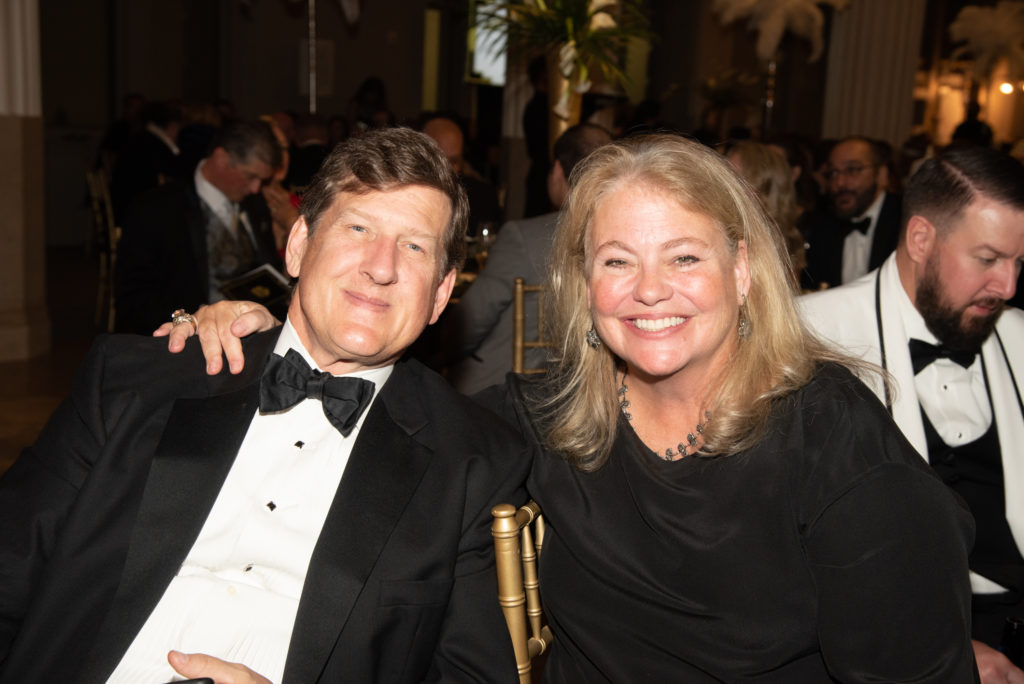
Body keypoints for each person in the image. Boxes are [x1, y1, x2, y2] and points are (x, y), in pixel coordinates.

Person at [172, 134, 978, 681]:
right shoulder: (551, 414)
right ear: (583, 286)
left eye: (685, 257)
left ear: (742, 270)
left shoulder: (834, 443)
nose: (650, 290)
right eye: (617, 259)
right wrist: (266, 342)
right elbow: (386, 419)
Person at [0, 128, 528, 683]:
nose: (381, 266)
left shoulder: (473, 462)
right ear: (298, 245)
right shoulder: (139, 380)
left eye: (414, 246)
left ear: (441, 294)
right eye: (358, 228)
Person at [800, 144, 1024, 683]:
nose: (1009, 287)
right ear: (921, 238)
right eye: (988, 259)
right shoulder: (810, 337)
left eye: (1020, 262)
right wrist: (941, 644)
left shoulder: (1018, 337)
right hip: (883, 636)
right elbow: (782, 552)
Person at [444, 123, 611, 394]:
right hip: (587, 388)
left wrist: (438, 353)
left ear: (557, 170)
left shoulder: (524, 237)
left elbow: (469, 323)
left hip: (501, 390)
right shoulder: (622, 238)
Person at [115, 119, 284, 335]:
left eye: (261, 180)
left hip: (254, 333)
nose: (255, 188)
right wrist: (189, 322)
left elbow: (265, 268)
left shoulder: (255, 203)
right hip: (185, 341)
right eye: (251, 176)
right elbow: (132, 299)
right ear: (222, 158)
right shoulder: (156, 209)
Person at [801, 135, 902, 289]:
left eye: (853, 170)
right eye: (833, 173)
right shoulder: (822, 224)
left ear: (881, 175)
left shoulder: (905, 221)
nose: (840, 182)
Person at [723, 140, 807, 282]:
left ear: (765, 191)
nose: (725, 184)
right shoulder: (720, 229)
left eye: (737, 178)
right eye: (725, 174)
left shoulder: (771, 247)